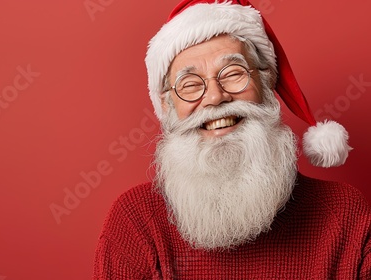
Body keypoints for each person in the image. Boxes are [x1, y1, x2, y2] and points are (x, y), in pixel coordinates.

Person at [93, 0, 371, 279]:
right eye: (190, 84)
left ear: (266, 84)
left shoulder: (344, 213)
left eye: (234, 74)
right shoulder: (136, 223)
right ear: (166, 107)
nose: (215, 97)